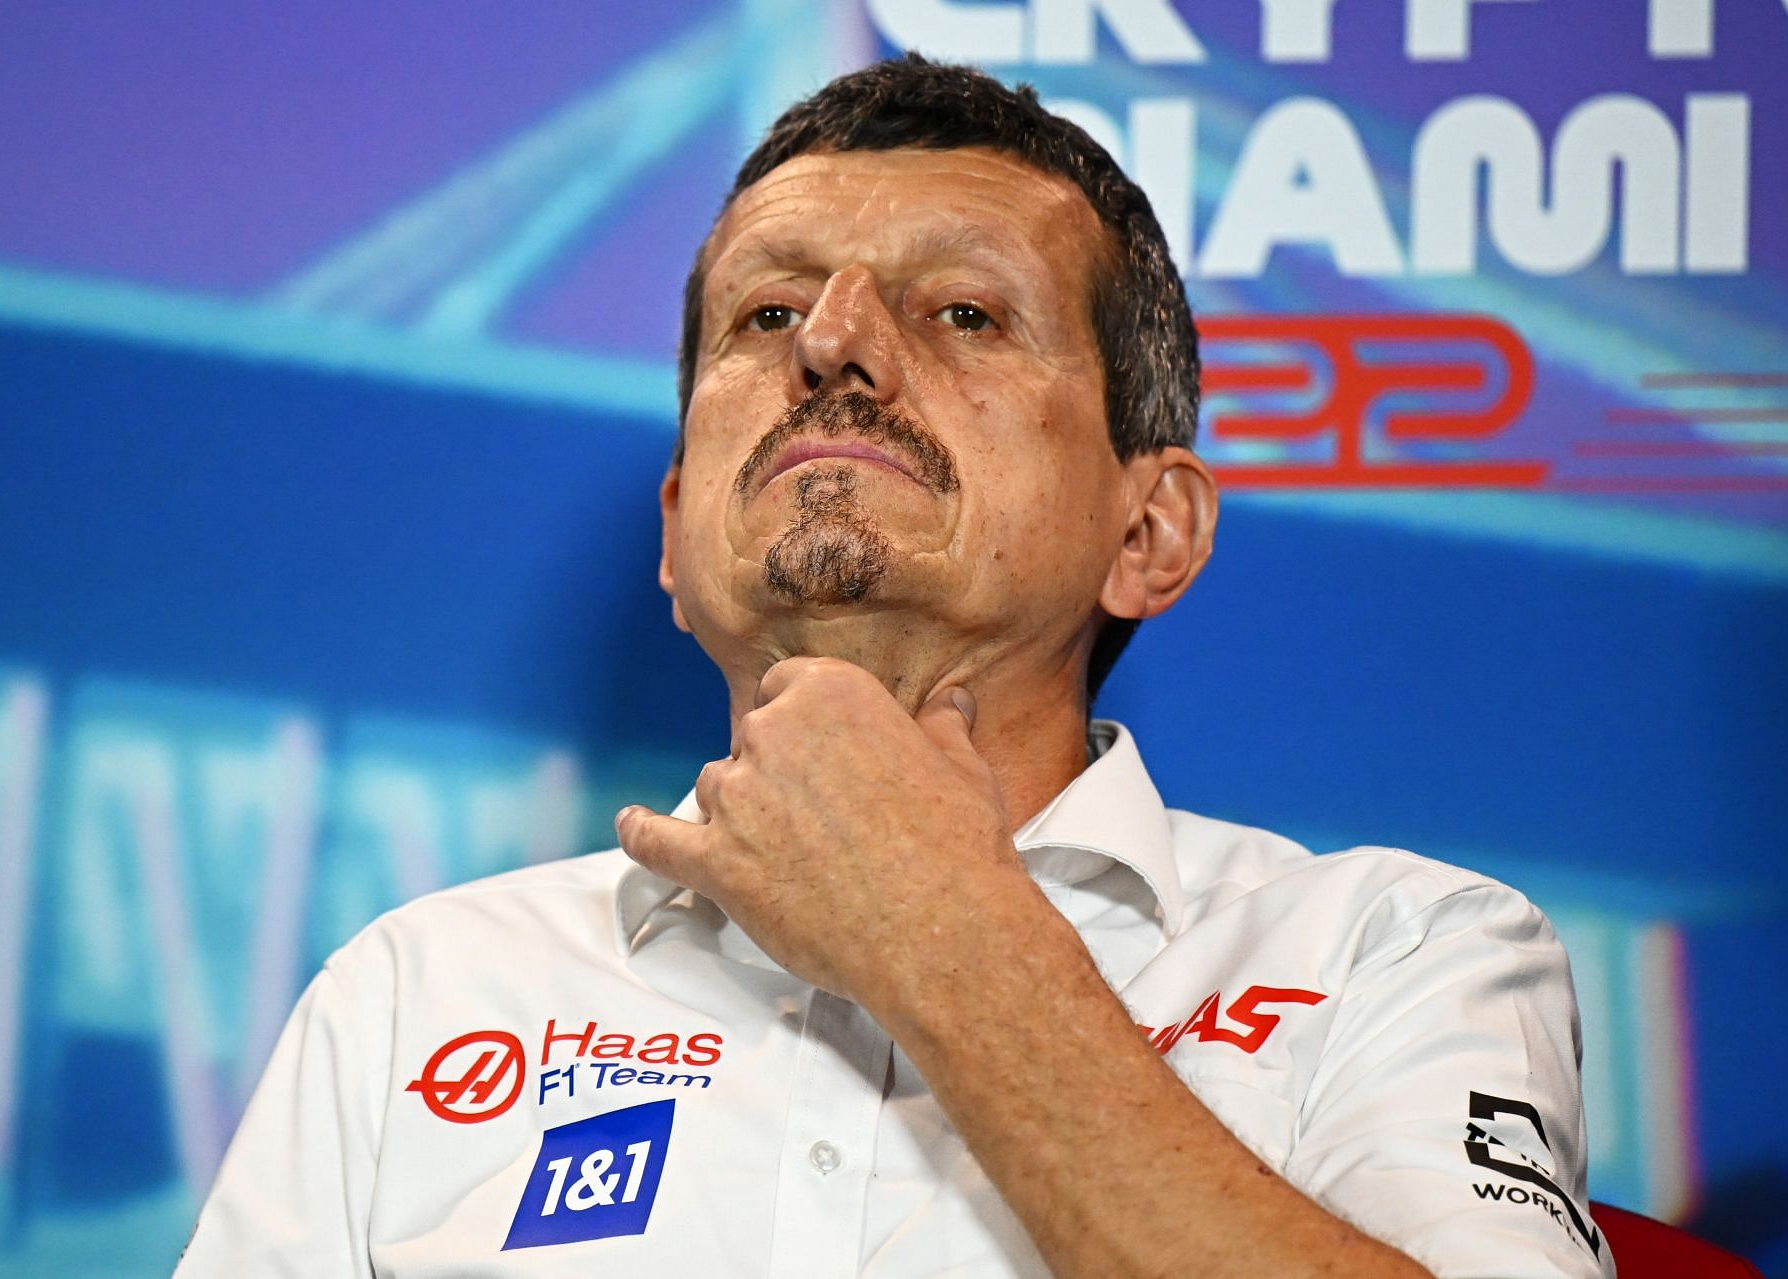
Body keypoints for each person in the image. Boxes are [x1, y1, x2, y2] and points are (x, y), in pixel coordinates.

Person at [177, 56, 1612, 1278]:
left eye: (964, 313)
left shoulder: (1392, 954)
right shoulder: (417, 996)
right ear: (677, 538)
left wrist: (944, 939)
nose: (836, 346)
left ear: (1150, 531)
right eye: (767, 316)